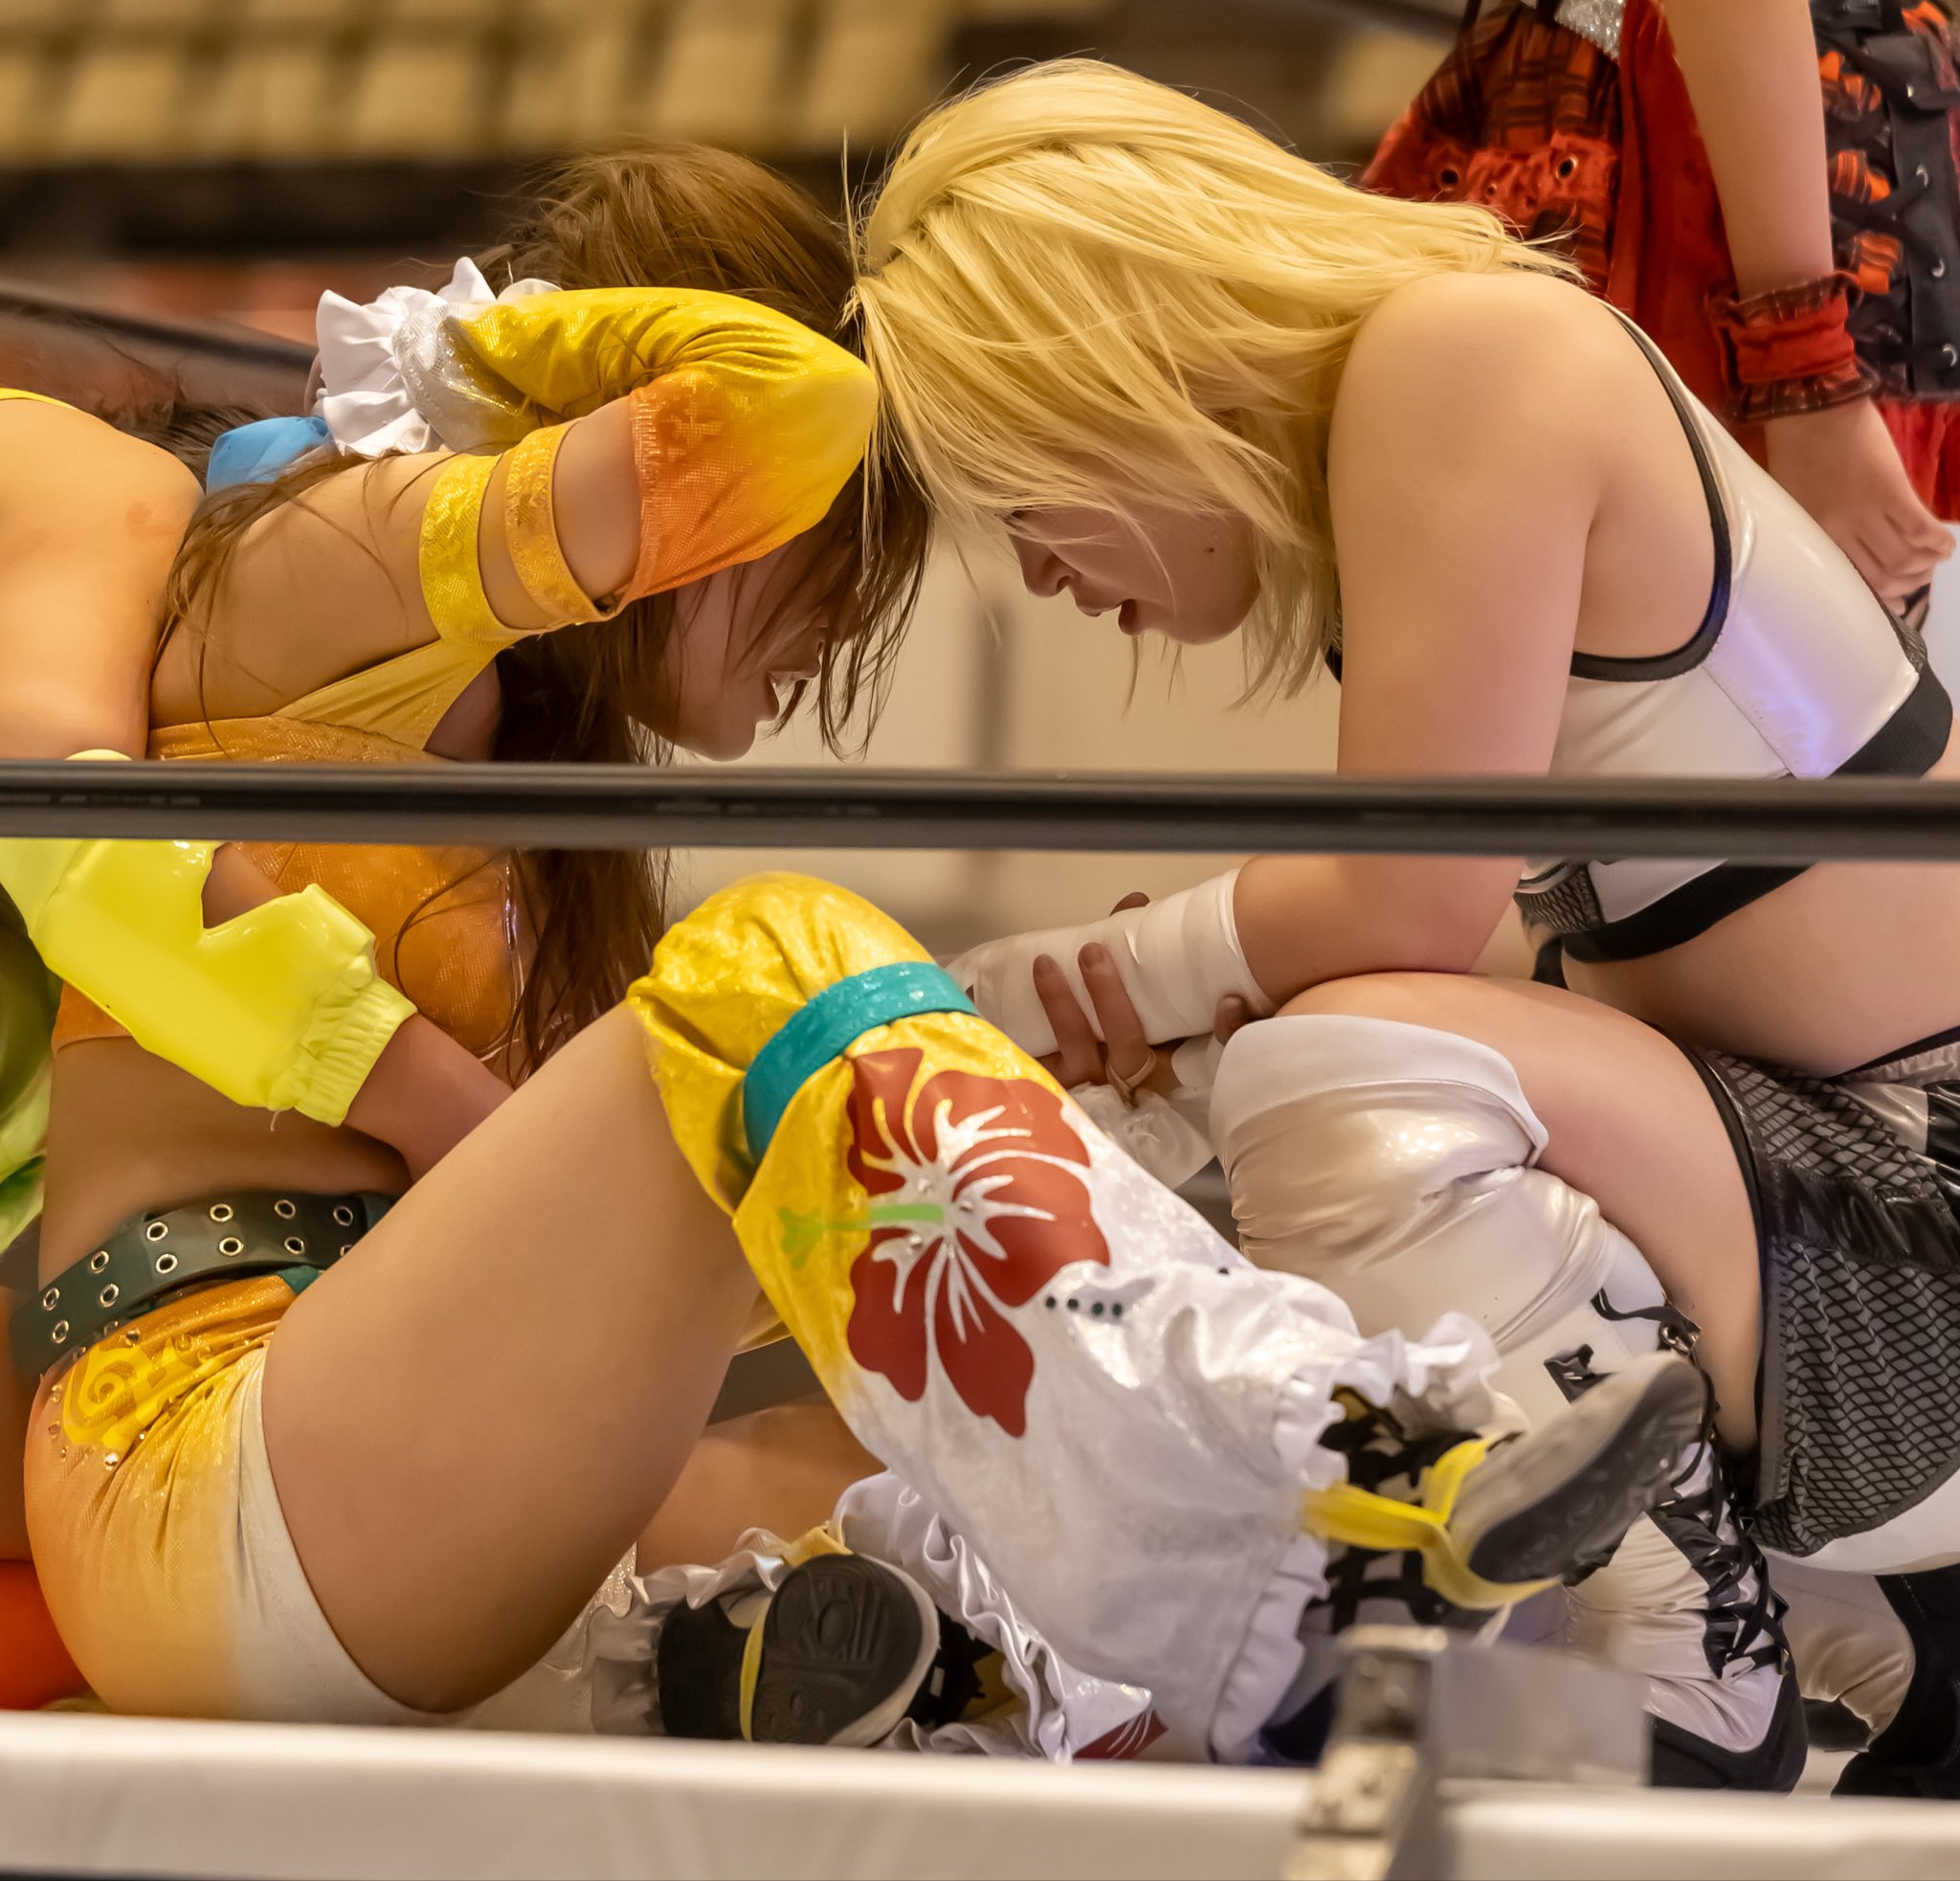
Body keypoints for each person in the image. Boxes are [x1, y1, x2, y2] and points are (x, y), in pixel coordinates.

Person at [848, 55, 1960, 1787]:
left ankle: (1704, 1658)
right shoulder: (1447, 385)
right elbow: (1531, 941)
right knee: (1277, 1070)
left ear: (1101, 375)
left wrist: (1026, 990)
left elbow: (1408, 903)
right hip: (1850, 1196)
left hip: (1908, 1218)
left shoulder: (1462, 356)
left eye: (1017, 500)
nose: (1043, 575)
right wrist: (1177, 1009)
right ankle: (1844, 1625)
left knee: (1335, 1074)